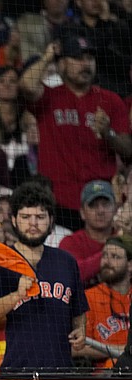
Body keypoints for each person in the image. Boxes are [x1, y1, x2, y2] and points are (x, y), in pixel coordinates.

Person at [19, 30, 132, 230]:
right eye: (77, 58)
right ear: (62, 64)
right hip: (58, 201)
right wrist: (47, 57)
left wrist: (108, 133)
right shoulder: (49, 97)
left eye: (89, 58)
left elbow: (128, 148)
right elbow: (26, 85)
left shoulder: (110, 100)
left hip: (100, 201)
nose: (85, 64)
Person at [0, 183, 89, 371]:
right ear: (14, 219)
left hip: (62, 371)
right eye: (26, 216)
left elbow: (78, 310)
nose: (33, 223)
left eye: (40, 217)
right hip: (13, 369)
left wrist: (80, 329)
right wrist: (16, 296)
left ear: (51, 221)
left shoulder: (66, 261)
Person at [75, 236, 131, 369]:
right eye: (104, 255)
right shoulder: (89, 297)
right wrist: (121, 350)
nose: (107, 261)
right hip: (105, 377)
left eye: (115, 257)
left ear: (130, 265)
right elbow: (76, 348)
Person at [59, 180, 118, 285]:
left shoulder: (125, 239)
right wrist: (114, 251)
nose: (100, 211)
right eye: (93, 205)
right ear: (82, 213)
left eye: (105, 204)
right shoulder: (70, 243)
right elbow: (72, 274)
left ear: (115, 209)